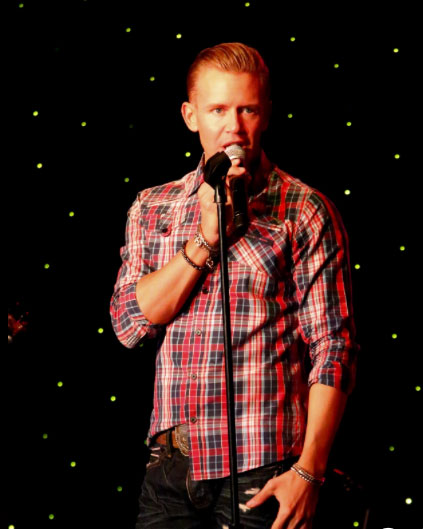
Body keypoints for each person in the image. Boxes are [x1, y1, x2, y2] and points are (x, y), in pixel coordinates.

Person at [110, 42, 358, 529]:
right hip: (171, 467)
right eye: (218, 109)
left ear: (266, 114)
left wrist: (309, 472)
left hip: (262, 466)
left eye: (247, 109)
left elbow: (334, 346)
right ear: (191, 116)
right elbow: (129, 325)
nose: (234, 126)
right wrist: (206, 238)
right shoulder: (153, 206)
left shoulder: (304, 209)